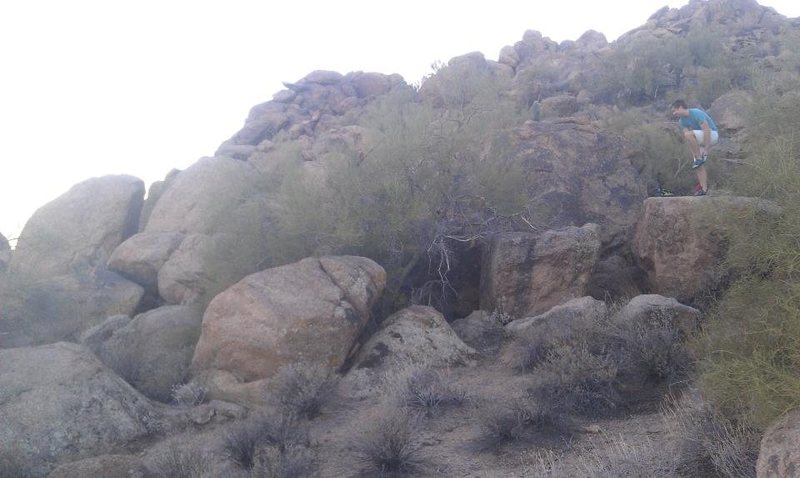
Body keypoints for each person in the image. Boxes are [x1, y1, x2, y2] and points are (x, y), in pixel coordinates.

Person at [670, 99, 719, 196]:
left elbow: (707, 130)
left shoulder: (696, 113)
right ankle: (703, 189)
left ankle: (699, 158)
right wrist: (695, 156)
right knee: (698, 165)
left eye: (675, 110)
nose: (674, 113)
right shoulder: (682, 121)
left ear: (680, 107)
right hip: (699, 139)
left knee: (688, 134)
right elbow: (689, 139)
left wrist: (706, 148)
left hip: (712, 135)